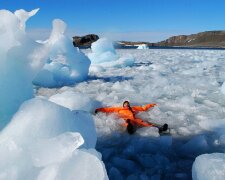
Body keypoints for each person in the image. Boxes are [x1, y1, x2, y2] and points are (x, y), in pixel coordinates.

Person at [95, 101, 168, 134]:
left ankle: (159, 128)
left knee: (144, 123)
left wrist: (150, 105)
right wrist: (98, 109)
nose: (127, 105)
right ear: (123, 105)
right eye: (125, 104)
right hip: (126, 119)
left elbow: (143, 108)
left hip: (134, 119)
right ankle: (130, 130)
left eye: (128, 104)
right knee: (128, 122)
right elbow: (108, 109)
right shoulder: (119, 109)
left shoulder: (133, 108)